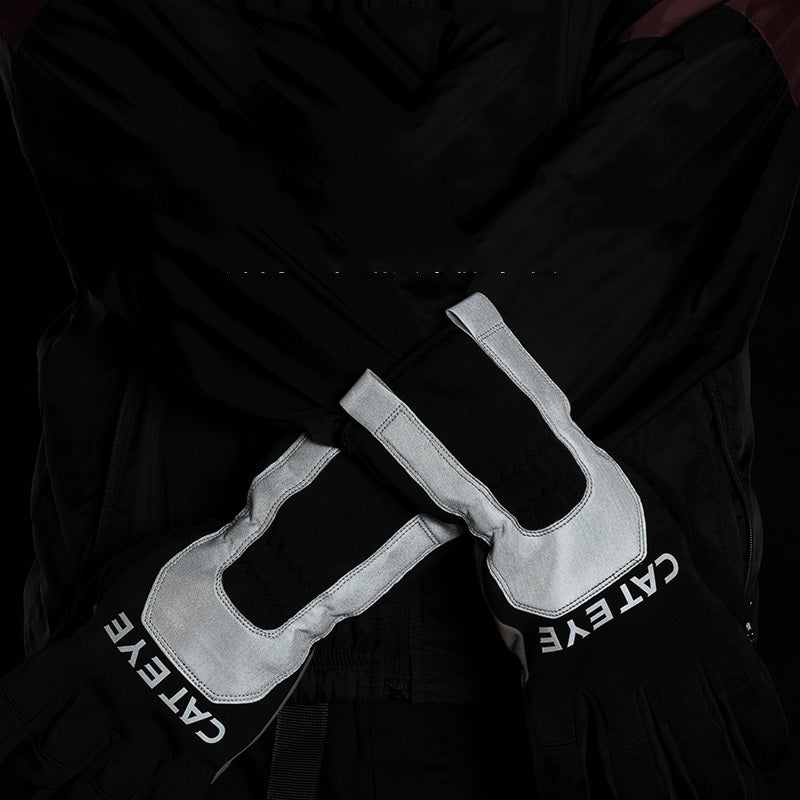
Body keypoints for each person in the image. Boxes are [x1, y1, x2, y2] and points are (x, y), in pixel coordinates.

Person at [0, 1, 797, 797]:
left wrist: (243, 604)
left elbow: (667, 179)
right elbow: (159, 176)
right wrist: (564, 520)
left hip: (574, 695)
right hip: (173, 688)